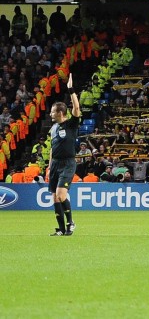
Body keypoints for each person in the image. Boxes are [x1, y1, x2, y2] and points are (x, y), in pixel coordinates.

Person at [46, 91, 81, 236]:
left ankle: (71, 222)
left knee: (61, 195)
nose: (50, 114)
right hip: (55, 164)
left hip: (67, 163)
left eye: (53, 112)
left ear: (60, 112)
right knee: (55, 198)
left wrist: (71, 90)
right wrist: (49, 166)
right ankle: (61, 229)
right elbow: (52, 149)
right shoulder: (53, 128)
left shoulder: (71, 125)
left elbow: (77, 109)